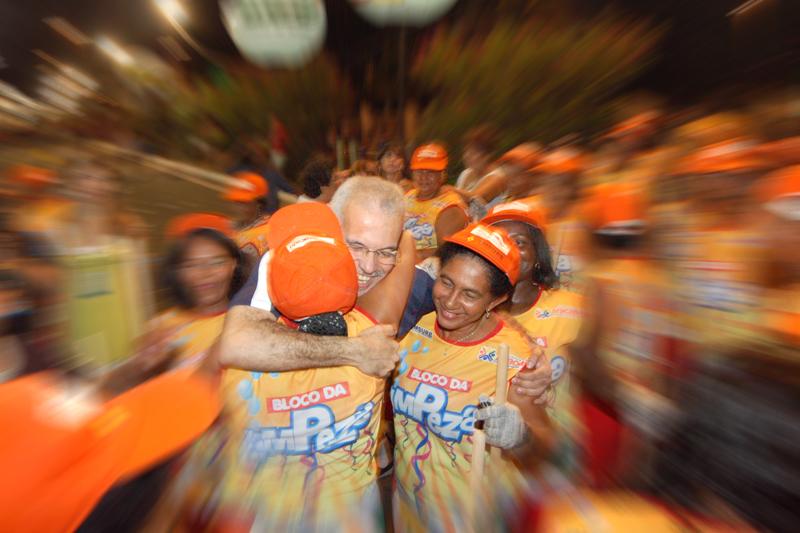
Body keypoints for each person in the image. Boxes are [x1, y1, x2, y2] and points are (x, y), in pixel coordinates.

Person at [189, 202, 408, 532]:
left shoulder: (231, 355)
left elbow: (194, 398)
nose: (367, 264)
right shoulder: (376, 330)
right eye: (356, 247)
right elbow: (405, 253)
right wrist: (356, 351)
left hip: (262, 517)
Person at [392, 223, 554, 531]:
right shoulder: (421, 325)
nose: (450, 302)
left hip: (471, 518)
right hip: (410, 506)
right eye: (446, 282)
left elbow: (544, 450)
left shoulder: (515, 359)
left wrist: (521, 437)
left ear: (494, 301)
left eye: (470, 294)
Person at [569, 183, 676, 488]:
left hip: (603, 408)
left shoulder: (598, 280)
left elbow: (583, 351)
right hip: (651, 408)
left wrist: (625, 398)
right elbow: (671, 355)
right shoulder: (663, 282)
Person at [481, 198, 585, 474]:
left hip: (555, 463)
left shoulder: (573, 309)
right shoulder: (470, 312)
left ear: (538, 252)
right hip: (484, 471)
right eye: (498, 240)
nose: (509, 249)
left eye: (520, 241)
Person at [531, 147, 591, 294]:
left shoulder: (588, 220)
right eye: (547, 182)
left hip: (575, 301)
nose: (552, 190)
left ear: (574, 188)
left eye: (561, 184)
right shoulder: (528, 215)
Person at [404, 143, 469, 261]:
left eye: (430, 172)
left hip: (426, 267)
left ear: (442, 175)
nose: (423, 177)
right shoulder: (409, 196)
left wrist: (399, 259)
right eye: (419, 171)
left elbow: (440, 253)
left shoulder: (452, 208)